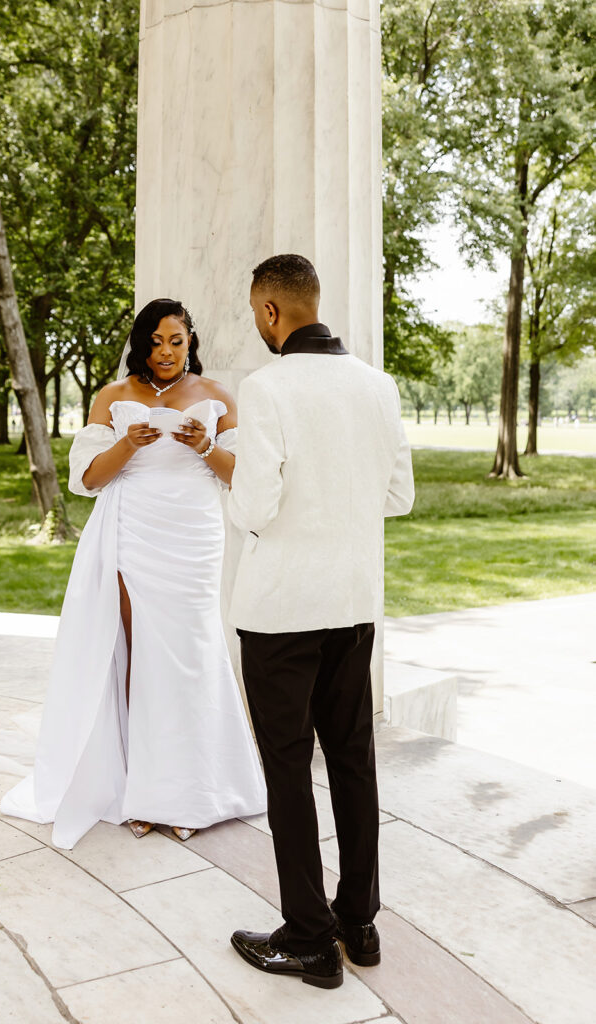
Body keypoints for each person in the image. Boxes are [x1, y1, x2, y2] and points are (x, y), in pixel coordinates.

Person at [0, 298, 266, 848]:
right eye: (154, 342)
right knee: (137, 656)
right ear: (140, 344)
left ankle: (192, 790)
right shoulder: (114, 397)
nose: (165, 352)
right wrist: (128, 442)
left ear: (191, 340)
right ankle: (140, 792)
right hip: (132, 533)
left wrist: (204, 444)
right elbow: (88, 480)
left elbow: (241, 477)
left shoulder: (217, 396)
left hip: (192, 535)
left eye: (175, 340)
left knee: (190, 656)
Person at [227, 255, 415, 989]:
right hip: (353, 603)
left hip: (280, 612)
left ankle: (308, 939)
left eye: (254, 313)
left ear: (271, 312)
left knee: (286, 769)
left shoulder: (265, 387)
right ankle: (358, 923)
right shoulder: (377, 385)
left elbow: (253, 508)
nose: (256, 324)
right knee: (352, 760)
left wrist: (240, 472)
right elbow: (396, 495)